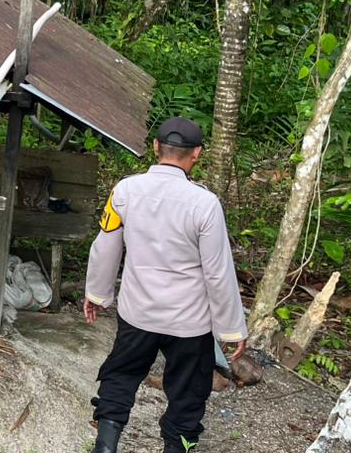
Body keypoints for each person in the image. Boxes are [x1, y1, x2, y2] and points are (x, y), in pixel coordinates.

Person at [83, 117, 247, 453]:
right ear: (197, 154)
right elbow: (218, 271)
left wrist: (97, 295)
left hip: (138, 312)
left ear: (156, 147)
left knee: (121, 374)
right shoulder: (205, 204)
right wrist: (232, 330)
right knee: (188, 392)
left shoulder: (125, 191)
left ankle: (105, 446)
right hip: (189, 322)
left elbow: (105, 245)